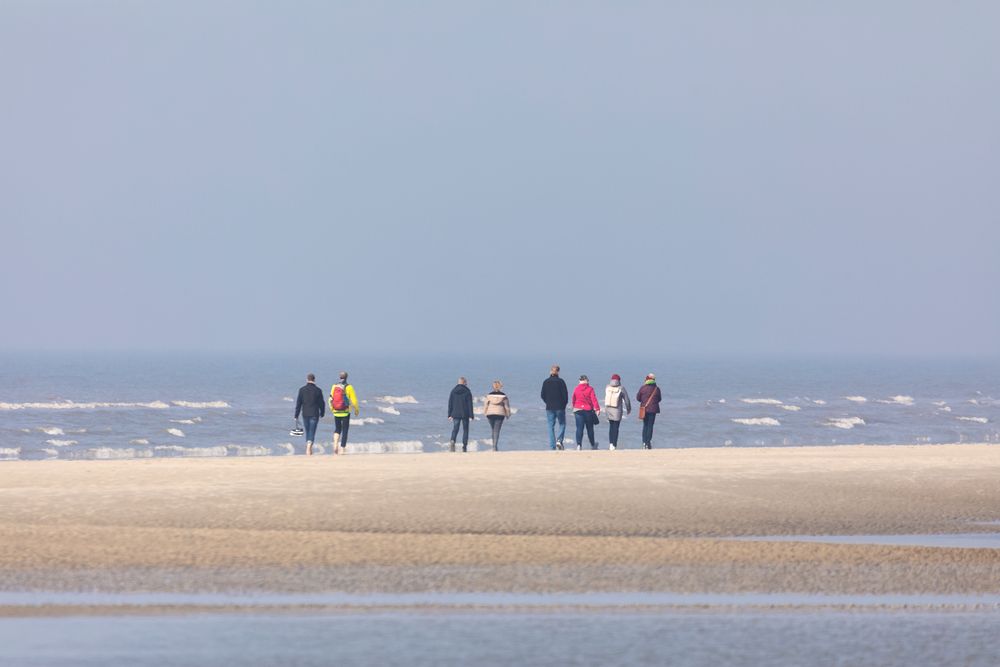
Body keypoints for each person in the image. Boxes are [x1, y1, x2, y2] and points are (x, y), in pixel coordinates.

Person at [329, 371, 360, 455]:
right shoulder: (349, 387)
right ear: (346, 377)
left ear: (340, 377)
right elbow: (354, 400)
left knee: (337, 429)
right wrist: (356, 410)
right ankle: (342, 449)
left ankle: (335, 444)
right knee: (345, 430)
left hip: (336, 411)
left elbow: (330, 399)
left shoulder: (334, 386)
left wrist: (332, 409)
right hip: (345, 412)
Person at [294, 373, 325, 455]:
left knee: (308, 431)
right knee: (312, 431)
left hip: (305, 413)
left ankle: (308, 446)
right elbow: (322, 403)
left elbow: (298, 403)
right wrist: (322, 412)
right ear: (314, 380)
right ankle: (309, 446)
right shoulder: (318, 390)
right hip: (314, 413)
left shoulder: (302, 390)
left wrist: (296, 415)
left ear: (307, 379)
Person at [540, 364, 569, 450]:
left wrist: (547, 402)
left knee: (550, 426)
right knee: (562, 424)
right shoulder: (561, 381)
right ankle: (559, 440)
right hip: (560, 406)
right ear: (558, 372)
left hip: (549, 407)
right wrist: (564, 404)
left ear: (550, 371)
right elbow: (565, 395)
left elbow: (542, 395)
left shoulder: (546, 381)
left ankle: (552, 446)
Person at [572, 375, 600, 450]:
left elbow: (573, 399)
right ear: (586, 381)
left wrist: (574, 407)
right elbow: (594, 399)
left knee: (579, 428)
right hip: (588, 410)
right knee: (590, 429)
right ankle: (592, 444)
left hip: (578, 410)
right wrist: (597, 408)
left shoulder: (576, 389)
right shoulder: (590, 389)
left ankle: (579, 445)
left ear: (580, 381)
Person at [604, 374, 632, 450]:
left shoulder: (607, 387)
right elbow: (627, 400)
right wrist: (629, 409)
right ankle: (614, 444)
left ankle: (610, 444)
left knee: (611, 426)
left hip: (608, 409)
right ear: (619, 380)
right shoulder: (621, 388)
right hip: (617, 411)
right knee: (616, 427)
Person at [635, 373, 663, 449]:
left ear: (646, 379)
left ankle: (644, 442)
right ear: (654, 380)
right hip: (653, 410)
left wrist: (643, 401)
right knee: (650, 426)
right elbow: (659, 399)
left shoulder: (643, 388)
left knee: (645, 425)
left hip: (644, 409)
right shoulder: (657, 389)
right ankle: (648, 442)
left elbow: (638, 398)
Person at [447, 377, 475, 452]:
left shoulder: (453, 391)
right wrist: (471, 415)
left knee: (455, 428)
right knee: (465, 430)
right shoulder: (467, 391)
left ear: (458, 382)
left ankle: (453, 440)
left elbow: (450, 403)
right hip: (465, 413)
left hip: (455, 413)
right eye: (466, 382)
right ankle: (464, 446)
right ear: (464, 382)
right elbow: (470, 404)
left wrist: (449, 414)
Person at [482, 380, 511, 452]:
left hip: (490, 414)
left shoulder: (489, 395)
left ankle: (493, 445)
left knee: (493, 429)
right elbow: (507, 406)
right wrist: (508, 414)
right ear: (500, 386)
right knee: (496, 430)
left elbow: (485, 405)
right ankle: (495, 446)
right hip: (500, 414)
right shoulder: (504, 396)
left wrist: (485, 413)